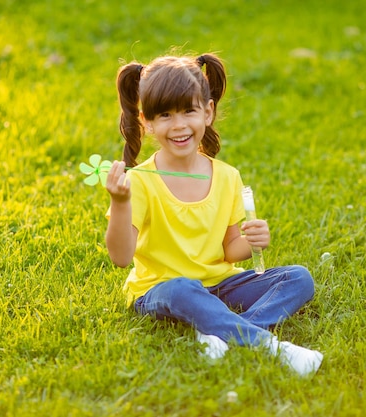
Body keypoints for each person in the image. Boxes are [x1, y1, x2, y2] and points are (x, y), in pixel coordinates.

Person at [104, 52, 323, 376]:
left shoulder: (227, 176)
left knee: (298, 279)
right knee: (182, 288)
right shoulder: (140, 181)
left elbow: (230, 248)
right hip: (162, 289)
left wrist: (252, 243)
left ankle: (217, 329)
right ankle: (271, 347)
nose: (178, 125)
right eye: (165, 115)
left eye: (188, 111)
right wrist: (120, 203)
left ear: (207, 112)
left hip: (220, 284)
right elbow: (121, 258)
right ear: (146, 122)